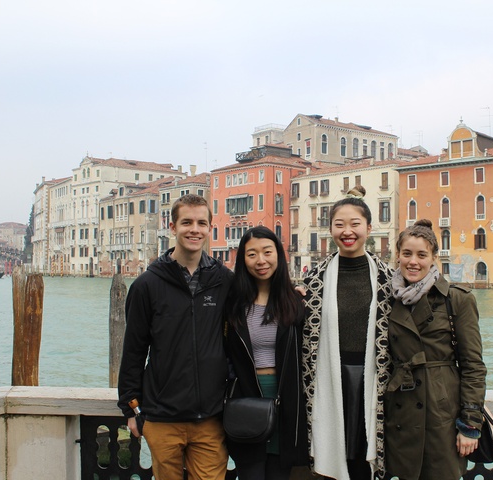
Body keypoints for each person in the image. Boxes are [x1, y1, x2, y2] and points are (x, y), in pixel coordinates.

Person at [117, 194, 232, 480]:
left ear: (209, 228)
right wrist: (130, 408)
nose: (195, 229)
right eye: (187, 222)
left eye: (201, 223)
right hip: (161, 416)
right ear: (173, 227)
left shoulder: (224, 281)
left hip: (211, 418)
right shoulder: (147, 285)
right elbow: (133, 349)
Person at [302, 186, 394, 480]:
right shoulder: (313, 281)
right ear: (330, 230)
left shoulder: (389, 280)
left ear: (369, 227)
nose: (347, 231)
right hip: (329, 377)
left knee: (364, 460)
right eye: (339, 225)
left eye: (355, 224)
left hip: (375, 380)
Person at [384, 219, 487, 480]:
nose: (413, 262)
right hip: (400, 411)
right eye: (407, 254)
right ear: (398, 256)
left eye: (421, 255)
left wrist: (470, 424)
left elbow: (473, 366)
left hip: (441, 412)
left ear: (433, 258)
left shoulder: (457, 299)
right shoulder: (387, 298)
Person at [223, 226, 308, 480]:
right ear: (243, 259)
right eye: (252, 254)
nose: (261, 260)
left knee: (278, 474)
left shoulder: (296, 302)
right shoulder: (232, 305)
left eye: (267, 252)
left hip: (286, 401)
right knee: (250, 473)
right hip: (246, 398)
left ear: (278, 256)